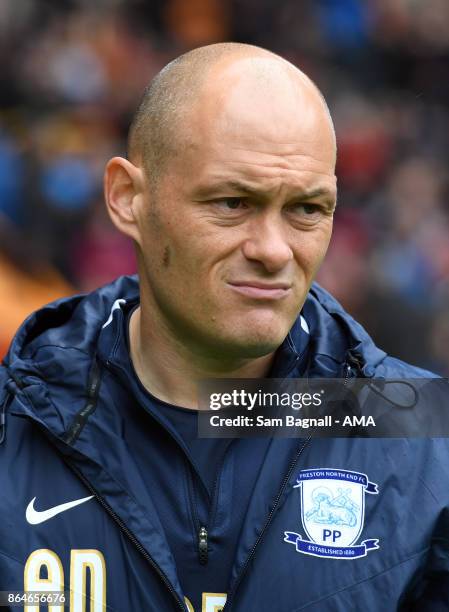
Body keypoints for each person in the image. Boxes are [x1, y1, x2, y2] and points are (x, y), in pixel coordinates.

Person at [0, 43, 448, 612]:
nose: (273, 250)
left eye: (307, 209)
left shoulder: (425, 443)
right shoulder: (16, 429)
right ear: (127, 199)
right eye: (233, 202)